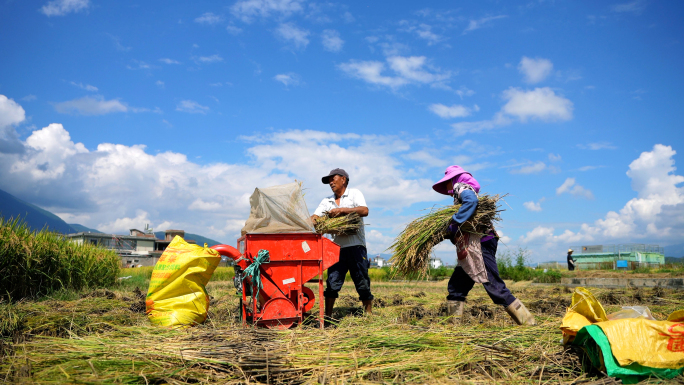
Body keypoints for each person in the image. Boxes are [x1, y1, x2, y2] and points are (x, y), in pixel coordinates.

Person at [433, 165, 536, 326]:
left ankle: (529, 324)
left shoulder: (461, 187)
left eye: (446, 182)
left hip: (479, 244)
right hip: (470, 248)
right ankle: (453, 329)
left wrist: (455, 222)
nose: (446, 186)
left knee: (495, 287)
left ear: (453, 179)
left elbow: (471, 202)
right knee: (456, 288)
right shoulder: (460, 192)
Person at [311, 168, 373, 318]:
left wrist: (343, 211)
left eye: (333, 179)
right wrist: (315, 222)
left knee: (362, 282)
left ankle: (369, 316)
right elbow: (315, 217)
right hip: (336, 249)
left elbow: (364, 210)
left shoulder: (354, 194)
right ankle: (328, 317)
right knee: (332, 283)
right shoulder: (327, 201)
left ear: (343, 179)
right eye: (329, 181)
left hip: (356, 247)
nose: (331, 182)